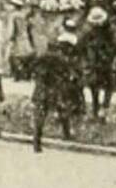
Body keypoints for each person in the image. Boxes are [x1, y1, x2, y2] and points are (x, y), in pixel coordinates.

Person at [31, 20, 84, 151]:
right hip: (55, 89)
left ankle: (37, 139)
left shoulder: (42, 57)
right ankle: (66, 133)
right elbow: (68, 74)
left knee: (40, 115)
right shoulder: (61, 60)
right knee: (62, 110)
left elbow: (33, 69)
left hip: (40, 89)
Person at [79, 7, 116, 119]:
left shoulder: (94, 32)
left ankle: (99, 109)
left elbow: (81, 47)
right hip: (100, 63)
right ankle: (102, 109)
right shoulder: (104, 32)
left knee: (99, 86)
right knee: (105, 85)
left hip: (99, 63)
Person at [4, 0, 35, 81]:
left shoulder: (13, 16)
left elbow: (11, 29)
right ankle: (27, 75)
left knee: (14, 56)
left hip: (17, 37)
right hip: (25, 37)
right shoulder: (24, 15)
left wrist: (8, 38)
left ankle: (17, 75)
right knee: (26, 55)